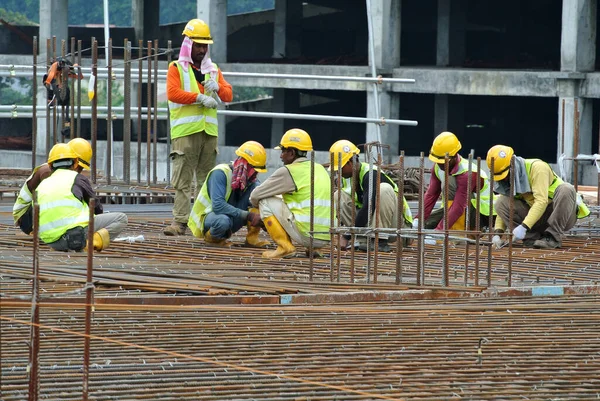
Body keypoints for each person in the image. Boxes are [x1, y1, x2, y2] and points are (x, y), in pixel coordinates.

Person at [164, 18, 233, 236]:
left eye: (205, 45)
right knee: (182, 180)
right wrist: (199, 98)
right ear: (188, 45)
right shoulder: (176, 68)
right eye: (198, 45)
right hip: (186, 133)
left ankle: (202, 221)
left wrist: (219, 87)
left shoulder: (213, 70)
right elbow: (173, 93)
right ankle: (180, 222)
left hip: (208, 134)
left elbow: (228, 95)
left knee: (206, 181)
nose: (202, 49)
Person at [487, 145, 590, 249]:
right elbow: (503, 207)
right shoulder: (507, 180)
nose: (504, 179)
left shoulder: (537, 168)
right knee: (501, 202)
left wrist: (523, 227)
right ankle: (530, 238)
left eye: (505, 175)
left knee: (566, 189)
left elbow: (541, 201)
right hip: (536, 220)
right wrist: (497, 234)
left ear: (512, 165)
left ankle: (552, 237)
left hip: (560, 215)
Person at [250, 129, 332, 258]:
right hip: (326, 236)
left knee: (265, 201)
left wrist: (265, 216)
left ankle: (285, 247)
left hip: (306, 235)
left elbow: (255, 196)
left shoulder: (289, 171)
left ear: (292, 153)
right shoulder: (320, 169)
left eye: (283, 151)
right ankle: (315, 250)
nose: (281, 155)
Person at [36, 143, 128, 252]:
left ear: (50, 166)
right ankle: (88, 244)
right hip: (73, 237)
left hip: (51, 241)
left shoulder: (41, 185)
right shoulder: (77, 178)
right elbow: (96, 207)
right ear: (75, 163)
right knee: (121, 218)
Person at [329, 139, 413, 252]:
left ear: (350, 162)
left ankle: (380, 241)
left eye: (340, 168)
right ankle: (363, 239)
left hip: (397, 227)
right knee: (338, 196)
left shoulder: (371, 174)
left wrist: (346, 235)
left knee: (384, 189)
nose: (338, 172)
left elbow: (368, 207)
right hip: (371, 225)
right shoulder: (348, 178)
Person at [188, 141, 270, 248]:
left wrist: (265, 219)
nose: (256, 174)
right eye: (254, 170)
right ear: (245, 164)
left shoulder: (252, 182)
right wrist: (249, 215)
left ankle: (252, 239)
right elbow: (218, 206)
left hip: (231, 219)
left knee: (258, 196)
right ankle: (212, 239)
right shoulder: (220, 173)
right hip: (211, 218)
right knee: (223, 221)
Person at [414, 131, 494, 232]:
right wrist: (418, 219)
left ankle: (465, 231)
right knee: (426, 224)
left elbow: (458, 206)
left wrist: (439, 230)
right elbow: (431, 195)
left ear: (453, 156)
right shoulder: (437, 168)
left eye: (442, 161)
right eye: (437, 161)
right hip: (454, 210)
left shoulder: (467, 173)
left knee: (450, 180)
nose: (439, 164)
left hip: (482, 215)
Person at [13, 137, 92, 235]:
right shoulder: (48, 172)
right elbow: (49, 200)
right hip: (25, 217)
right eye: (79, 167)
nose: (79, 171)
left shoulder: (61, 170)